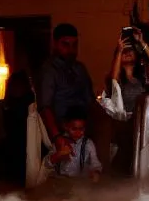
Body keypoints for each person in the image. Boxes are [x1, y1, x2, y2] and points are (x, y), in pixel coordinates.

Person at [37, 23, 94, 158]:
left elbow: (90, 100)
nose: (71, 50)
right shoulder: (49, 70)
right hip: (64, 125)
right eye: (66, 44)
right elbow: (45, 107)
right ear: (55, 44)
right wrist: (57, 136)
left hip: (85, 121)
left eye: (74, 45)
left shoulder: (80, 68)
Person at [44, 105, 102, 181]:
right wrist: (57, 155)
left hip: (80, 183)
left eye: (81, 129)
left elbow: (95, 163)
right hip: (59, 181)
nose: (78, 133)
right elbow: (46, 164)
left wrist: (95, 172)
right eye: (74, 129)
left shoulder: (88, 143)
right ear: (65, 126)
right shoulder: (59, 142)